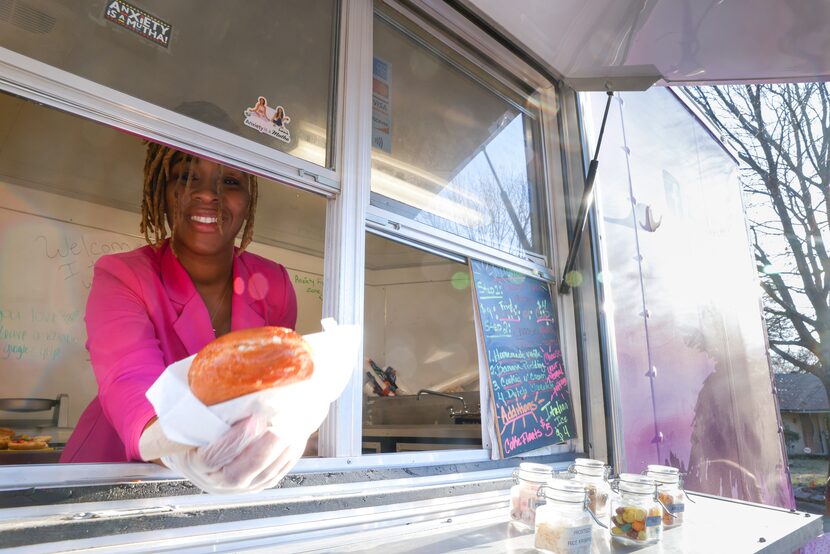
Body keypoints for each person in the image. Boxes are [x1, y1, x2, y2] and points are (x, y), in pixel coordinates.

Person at [61, 142, 302, 492]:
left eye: (231, 182)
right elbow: (129, 382)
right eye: (186, 176)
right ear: (162, 191)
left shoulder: (274, 285)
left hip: (213, 493)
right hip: (110, 483)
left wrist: (292, 427)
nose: (207, 194)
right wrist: (176, 447)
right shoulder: (122, 276)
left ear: (250, 199)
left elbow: (279, 391)